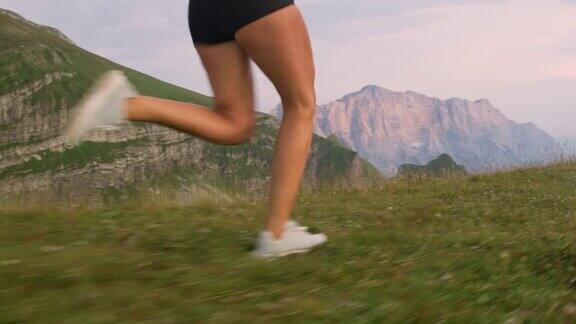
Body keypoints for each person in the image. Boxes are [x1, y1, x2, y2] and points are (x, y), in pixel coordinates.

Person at [64, 0, 327, 258]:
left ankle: (127, 106)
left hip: (205, 11)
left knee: (234, 124)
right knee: (301, 106)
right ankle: (276, 233)